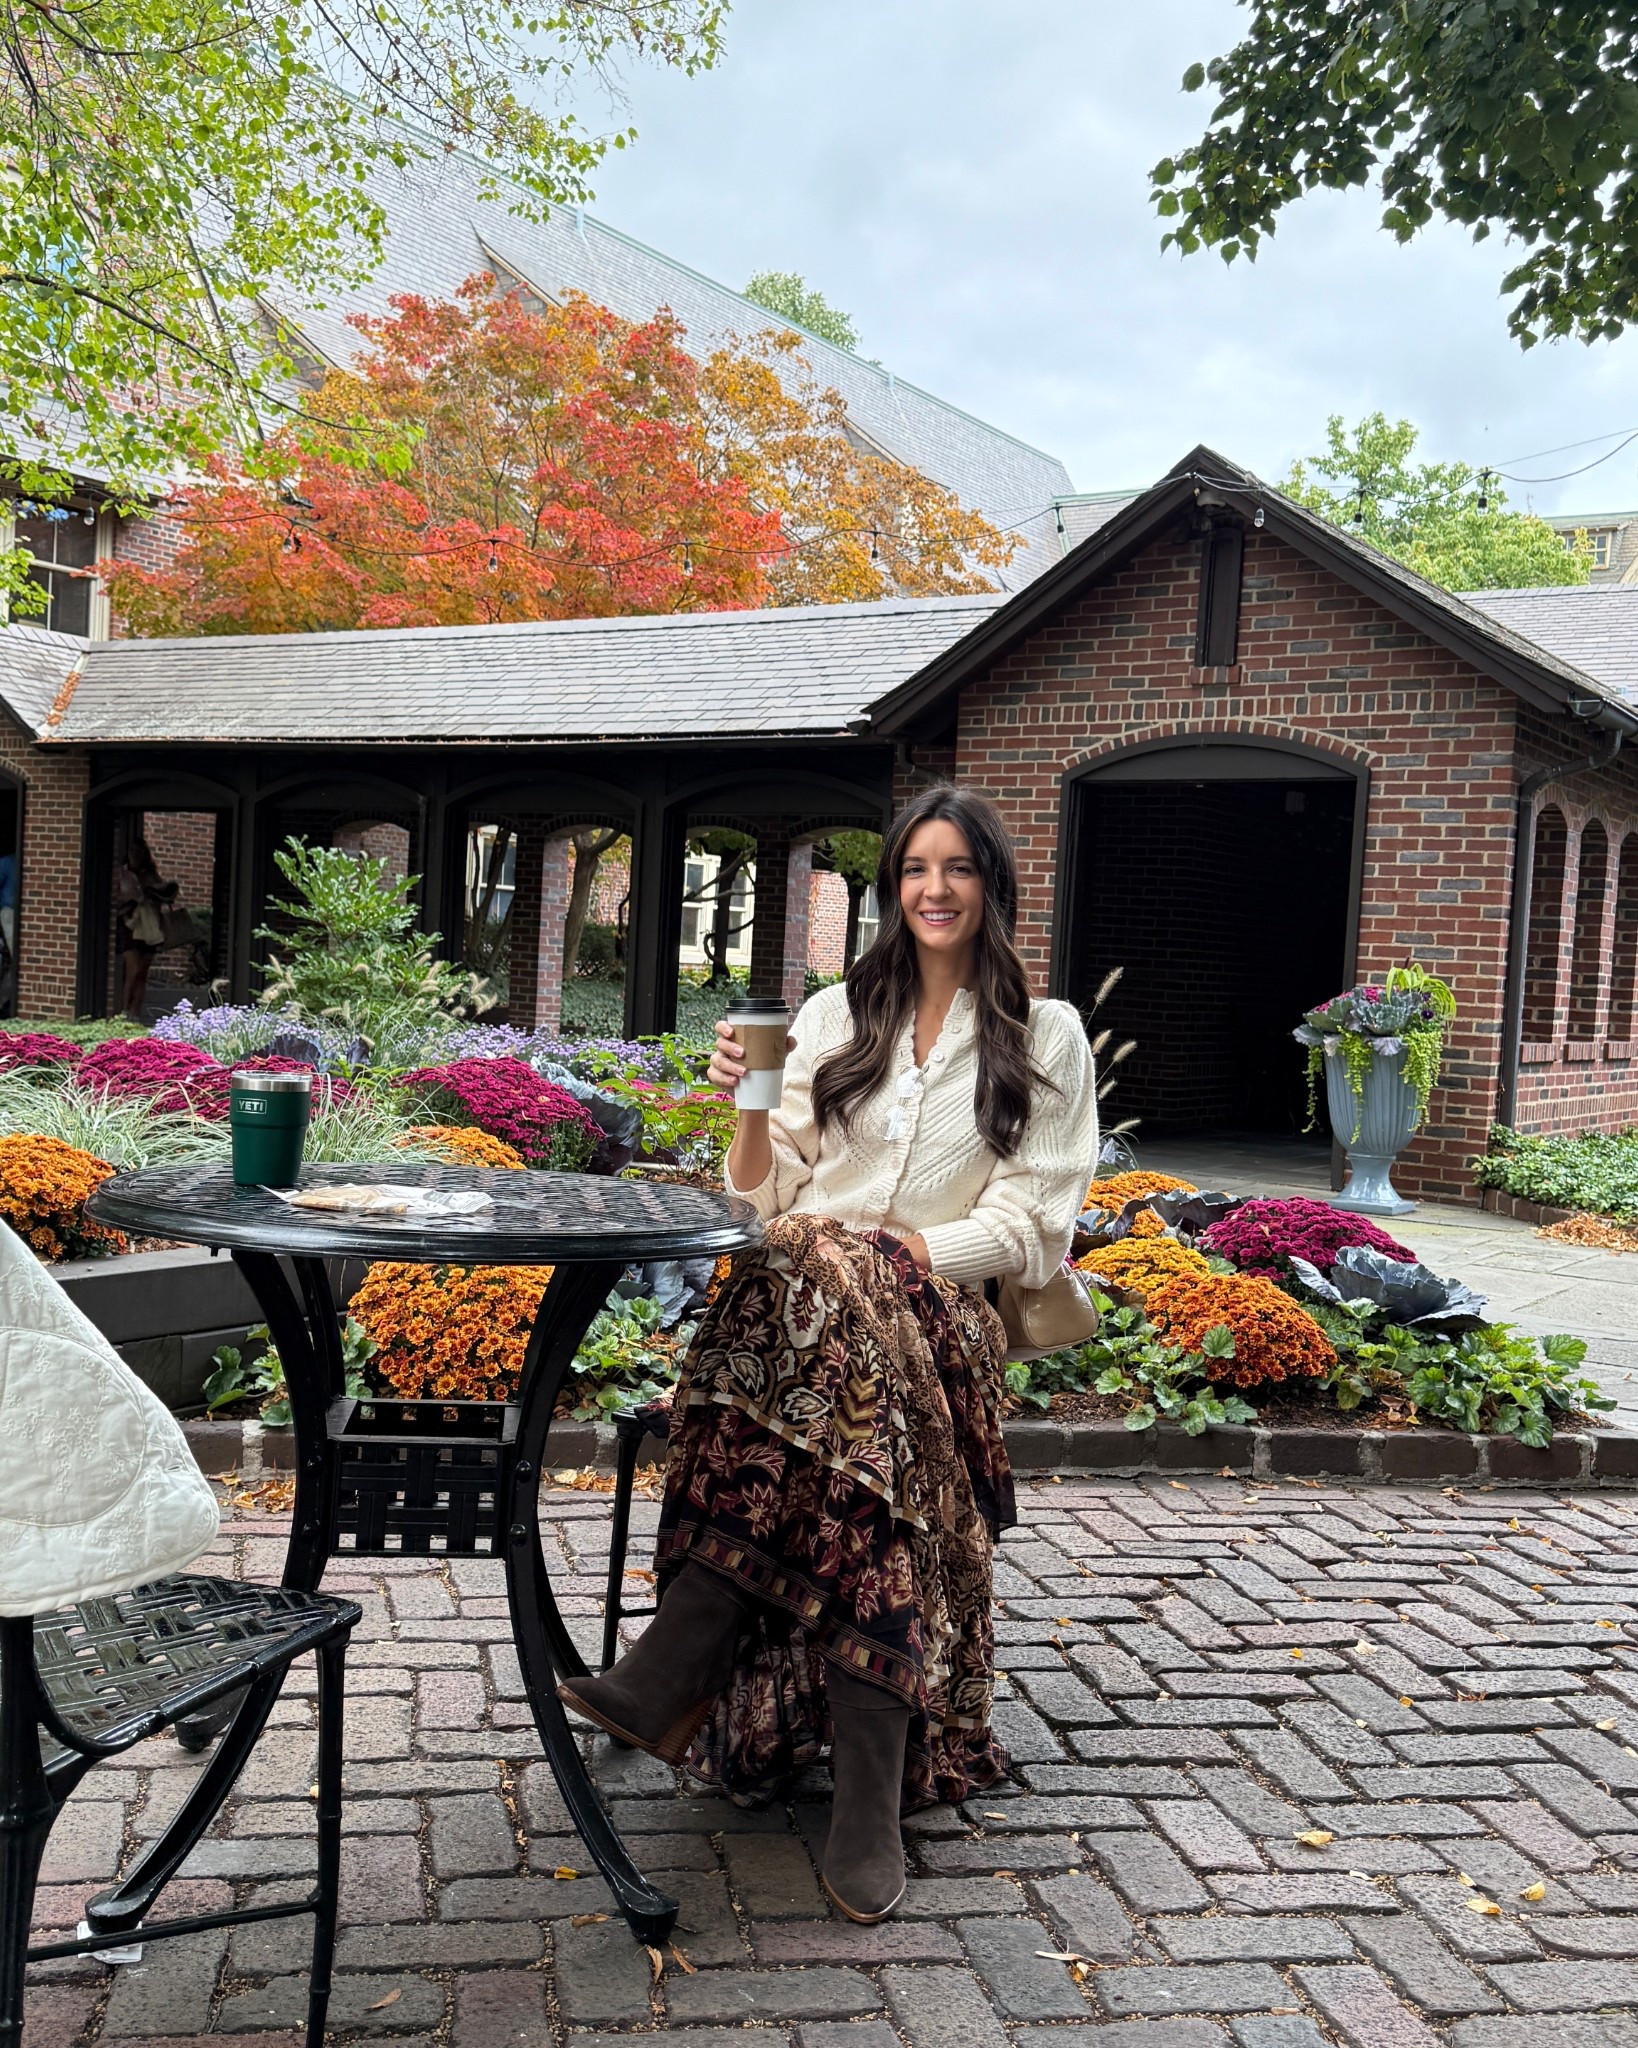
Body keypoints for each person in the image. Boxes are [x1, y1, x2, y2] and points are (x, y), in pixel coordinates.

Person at [560, 785, 1099, 1923]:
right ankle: (864, 1792)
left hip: (944, 1317)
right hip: (810, 1322)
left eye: (957, 868)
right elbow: (762, 1201)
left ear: (992, 885)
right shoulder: (825, 1017)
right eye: (914, 868)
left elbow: (1032, 1226)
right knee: (809, 1285)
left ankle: (680, 1655)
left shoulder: (1045, 1033)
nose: (934, 889)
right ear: (891, 885)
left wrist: (887, 1256)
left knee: (823, 1277)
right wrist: (749, 1107)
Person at [114, 836, 179, 1020]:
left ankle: (135, 1012)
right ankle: (124, 1011)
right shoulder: (123, 874)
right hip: (130, 925)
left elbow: (165, 895)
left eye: (139, 853)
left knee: (142, 972)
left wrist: (159, 891)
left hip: (150, 927)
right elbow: (118, 899)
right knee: (132, 970)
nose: (135, 856)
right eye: (132, 852)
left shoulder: (150, 874)